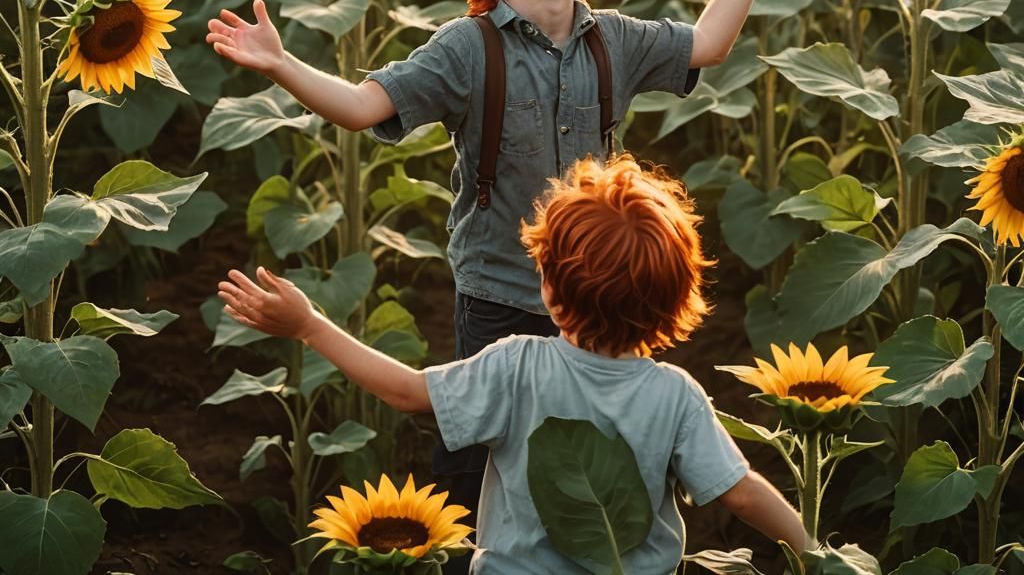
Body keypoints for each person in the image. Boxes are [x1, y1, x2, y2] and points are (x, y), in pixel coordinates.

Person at [206, 0, 818, 541]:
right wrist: (282, 64)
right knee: (480, 461)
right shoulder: (466, 49)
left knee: (608, 456)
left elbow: (707, 43)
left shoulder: (613, 39)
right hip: (501, 299)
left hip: (602, 294)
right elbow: (360, 106)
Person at [218, 154, 812, 574]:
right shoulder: (676, 395)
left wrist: (309, 325)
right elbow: (740, 495)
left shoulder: (518, 366)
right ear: (677, 297)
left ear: (551, 290)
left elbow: (405, 391)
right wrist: (812, 552)